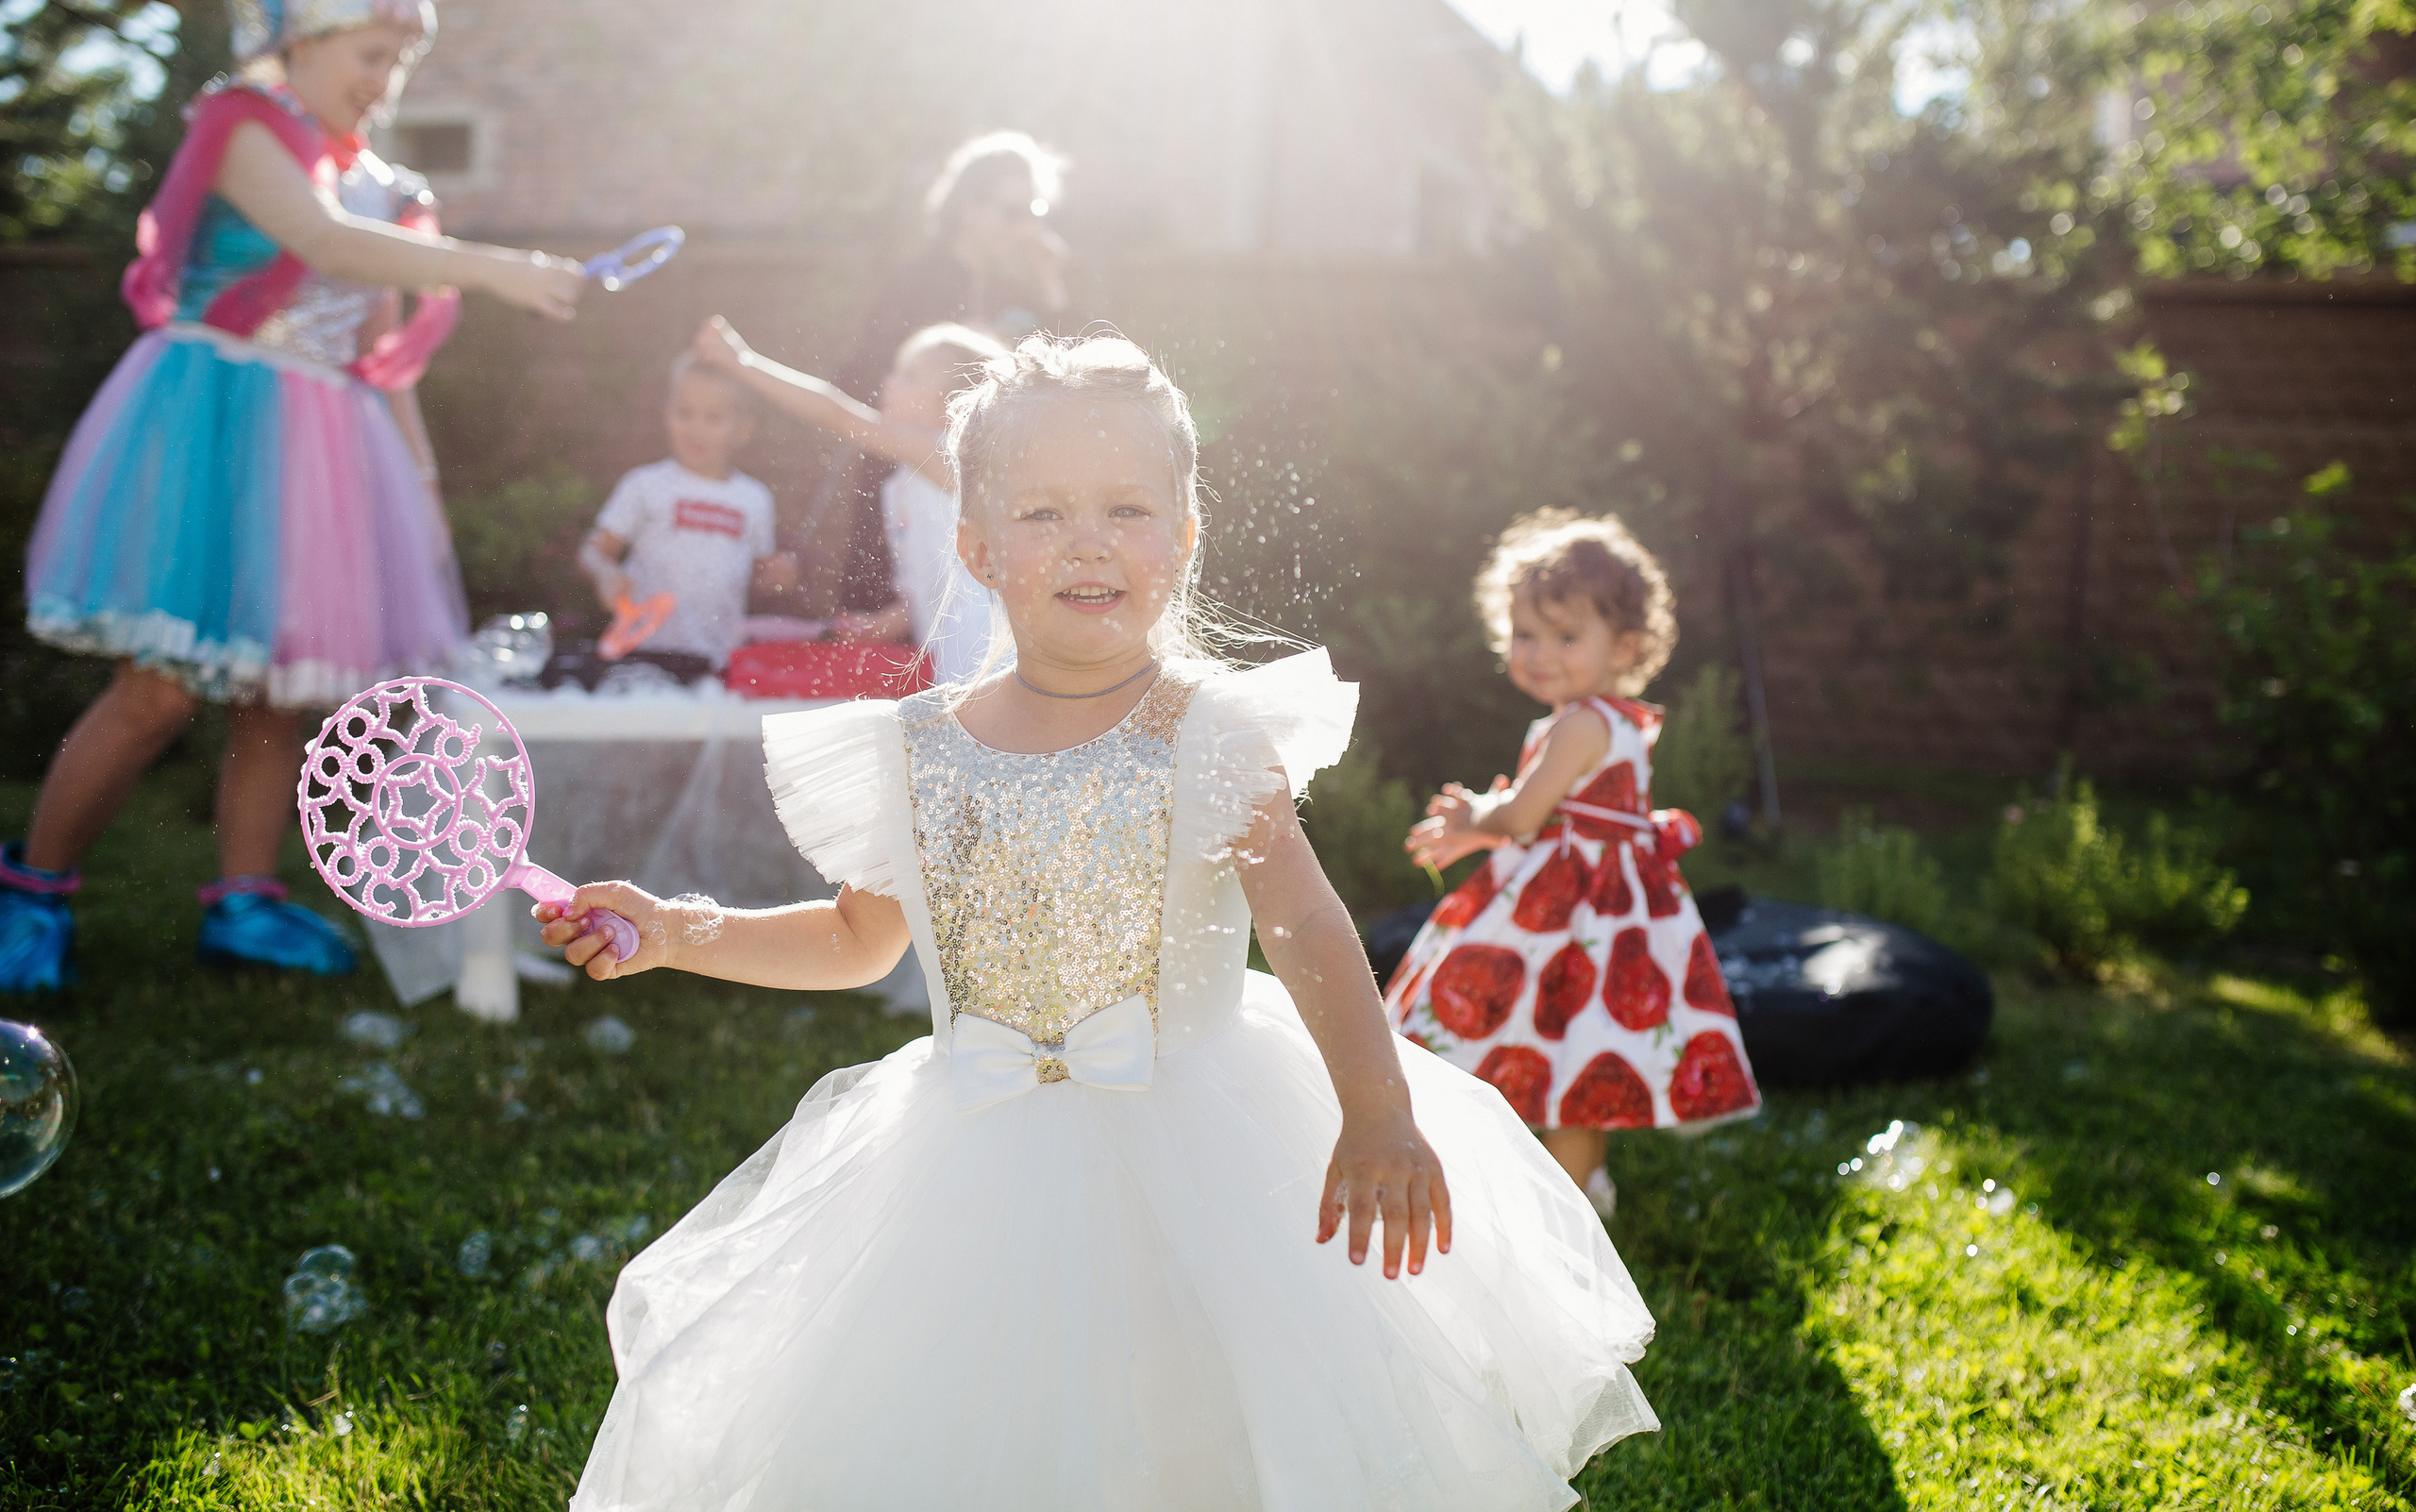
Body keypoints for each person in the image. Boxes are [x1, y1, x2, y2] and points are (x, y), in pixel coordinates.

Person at [537, 335, 1659, 1509]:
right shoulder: (916, 749)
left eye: (1126, 508)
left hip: (1205, 1139)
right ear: (974, 546)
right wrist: (675, 929)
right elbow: (854, 939)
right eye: (1042, 512)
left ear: (1183, 538)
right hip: (971, 1156)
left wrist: (1376, 1106)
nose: (1086, 540)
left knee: (1198, 1426)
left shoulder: (1212, 737)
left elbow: (1311, 929)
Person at [0, 0, 586, 992]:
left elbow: (376, 357)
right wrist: (496, 268)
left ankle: (243, 902)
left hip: (322, 444)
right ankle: (33, 891)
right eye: (373, 52)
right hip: (214, 426)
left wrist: (415, 487)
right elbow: (313, 241)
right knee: (160, 686)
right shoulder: (240, 123)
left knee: (279, 691)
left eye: (402, 60)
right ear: (305, 37)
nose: (385, 79)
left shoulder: (379, 188)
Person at [1386, 510, 1762, 1219]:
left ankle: (1569, 1208)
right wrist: (1488, 828)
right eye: (1526, 634)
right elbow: (1553, 815)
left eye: (1565, 635)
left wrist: (1475, 822)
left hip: (1573, 915)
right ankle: (1577, 1194)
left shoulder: (1581, 723)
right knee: (1577, 1053)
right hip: (1603, 915)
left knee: (1542, 1042)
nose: (1540, 653)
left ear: (1625, 646)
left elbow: (1526, 817)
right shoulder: (1606, 719)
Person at [771, 131, 1071, 618]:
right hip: (905, 489)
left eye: (1033, 215)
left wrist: (1052, 288)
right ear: (968, 207)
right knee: (892, 653)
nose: (1023, 229)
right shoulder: (916, 284)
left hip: (975, 501)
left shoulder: (1013, 293)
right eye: (1011, 212)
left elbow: (1066, 382)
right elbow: (860, 384)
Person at [692, 315, 1006, 685]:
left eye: (910, 376)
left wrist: (742, 362)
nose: (889, 382)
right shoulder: (908, 480)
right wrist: (881, 625)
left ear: (954, 402)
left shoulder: (942, 456)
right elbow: (927, 590)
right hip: (957, 661)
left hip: (985, 655)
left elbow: (838, 415)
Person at [574, 351, 791, 680]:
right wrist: (605, 574)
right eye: (684, 413)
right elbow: (593, 551)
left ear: (744, 430)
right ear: (666, 415)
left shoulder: (755, 499)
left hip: (718, 663)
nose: (695, 428)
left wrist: (779, 578)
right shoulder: (644, 485)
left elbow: (760, 578)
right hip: (643, 657)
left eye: (713, 418)